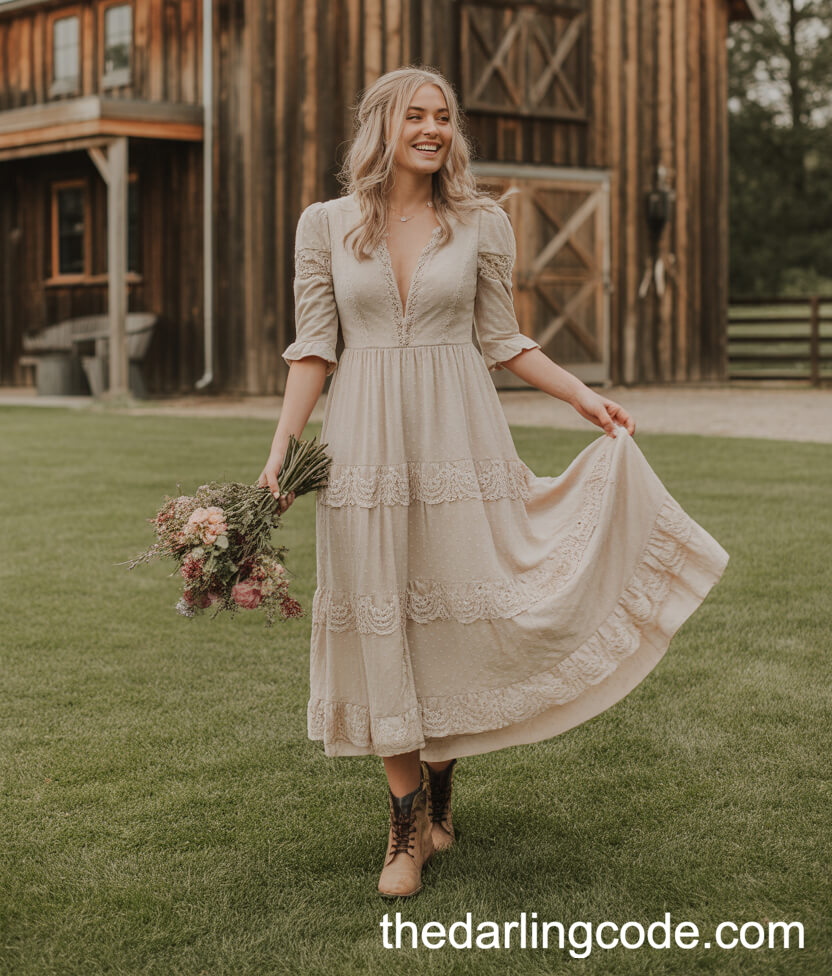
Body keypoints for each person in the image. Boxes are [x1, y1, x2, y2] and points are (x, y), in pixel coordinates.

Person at [258, 65, 729, 899]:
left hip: (458, 442)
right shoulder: (324, 225)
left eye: (444, 117)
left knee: (460, 607)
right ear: (383, 126)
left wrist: (588, 400)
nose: (434, 129)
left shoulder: (482, 222)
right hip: (363, 447)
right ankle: (406, 827)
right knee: (380, 621)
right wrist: (282, 451)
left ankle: (440, 793)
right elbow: (314, 348)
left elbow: (506, 342)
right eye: (417, 116)